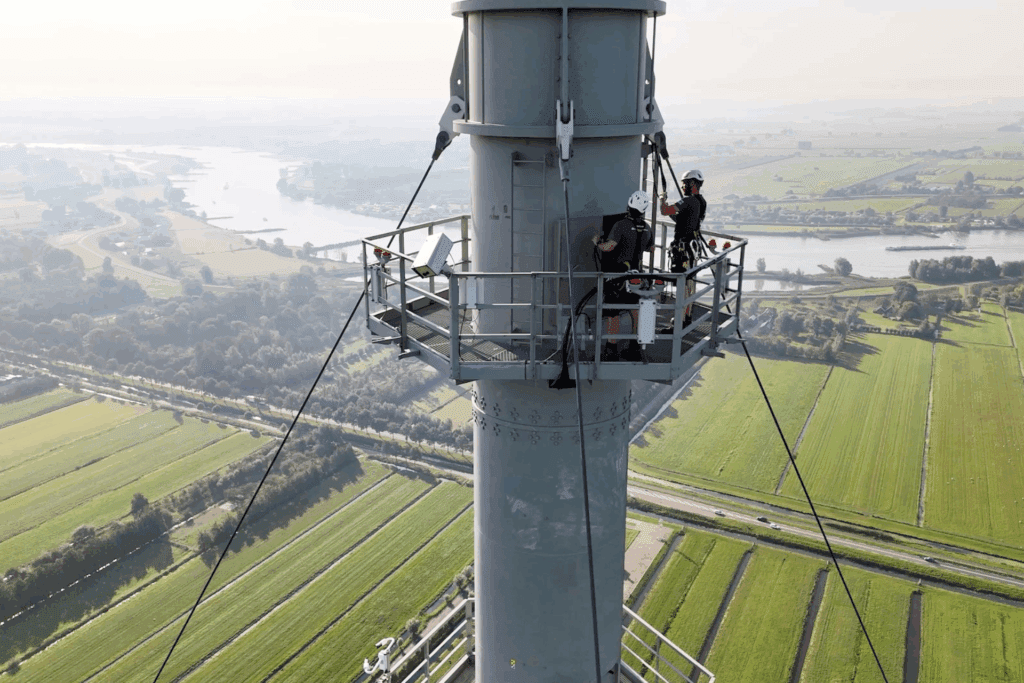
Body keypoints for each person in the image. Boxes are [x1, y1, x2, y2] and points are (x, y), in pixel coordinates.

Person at [593, 190, 654, 360]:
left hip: (619, 276)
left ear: (629, 205)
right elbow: (651, 248)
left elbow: (609, 247)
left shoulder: (621, 225)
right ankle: (634, 347)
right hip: (638, 276)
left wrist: (597, 242)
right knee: (635, 310)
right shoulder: (647, 227)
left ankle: (611, 349)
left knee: (613, 312)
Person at [661, 169, 707, 326]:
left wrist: (662, 200)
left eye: (684, 184)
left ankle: (678, 322)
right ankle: (687, 317)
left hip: (683, 250)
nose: (682, 187)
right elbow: (683, 220)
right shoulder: (701, 202)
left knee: (682, 285)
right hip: (692, 249)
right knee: (689, 283)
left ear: (692, 184)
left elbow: (665, 211)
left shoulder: (687, 201)